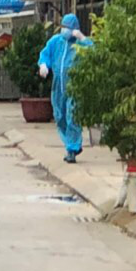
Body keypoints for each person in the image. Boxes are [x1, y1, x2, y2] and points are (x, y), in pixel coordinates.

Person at [37, 13, 93, 163]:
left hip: (75, 85)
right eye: (64, 27)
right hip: (58, 85)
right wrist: (43, 65)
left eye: (68, 28)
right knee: (60, 116)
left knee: (72, 115)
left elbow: (94, 53)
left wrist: (82, 38)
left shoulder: (80, 43)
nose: (65, 30)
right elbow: (45, 54)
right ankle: (70, 143)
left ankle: (72, 148)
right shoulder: (56, 42)